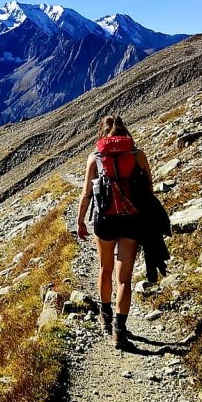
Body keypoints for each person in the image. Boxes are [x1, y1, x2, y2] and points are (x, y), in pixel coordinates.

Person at [76, 115, 152, 349]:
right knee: (124, 279)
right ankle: (120, 331)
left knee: (104, 268)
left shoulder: (95, 157)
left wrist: (80, 222)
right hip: (131, 221)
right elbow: (148, 189)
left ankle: (105, 316)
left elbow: (86, 194)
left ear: (104, 134)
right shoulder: (137, 155)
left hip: (104, 221)